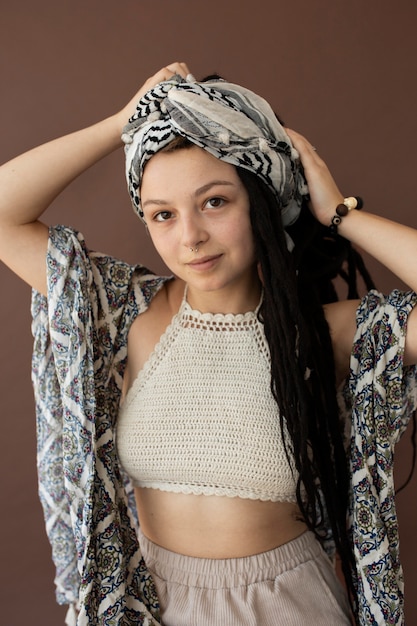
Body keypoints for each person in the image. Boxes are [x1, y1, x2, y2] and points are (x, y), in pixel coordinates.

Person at [1, 61, 416, 626]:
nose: (190, 237)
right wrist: (125, 123)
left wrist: (339, 213)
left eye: (214, 202)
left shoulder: (328, 333)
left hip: (285, 607)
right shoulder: (127, 312)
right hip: (147, 605)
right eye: (162, 215)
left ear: (261, 200)